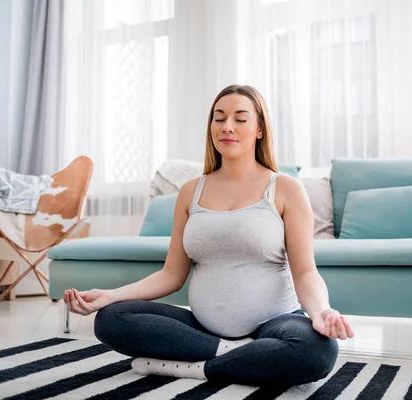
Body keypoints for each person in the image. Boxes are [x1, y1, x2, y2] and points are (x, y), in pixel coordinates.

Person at [63, 84, 354, 387]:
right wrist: (109, 296)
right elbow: (172, 274)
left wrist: (321, 312)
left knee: (318, 350)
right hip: (201, 330)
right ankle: (240, 356)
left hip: (274, 324)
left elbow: (305, 273)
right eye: (219, 118)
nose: (227, 127)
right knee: (111, 319)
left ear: (259, 130)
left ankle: (196, 368)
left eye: (240, 119)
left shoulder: (287, 189)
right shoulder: (191, 191)